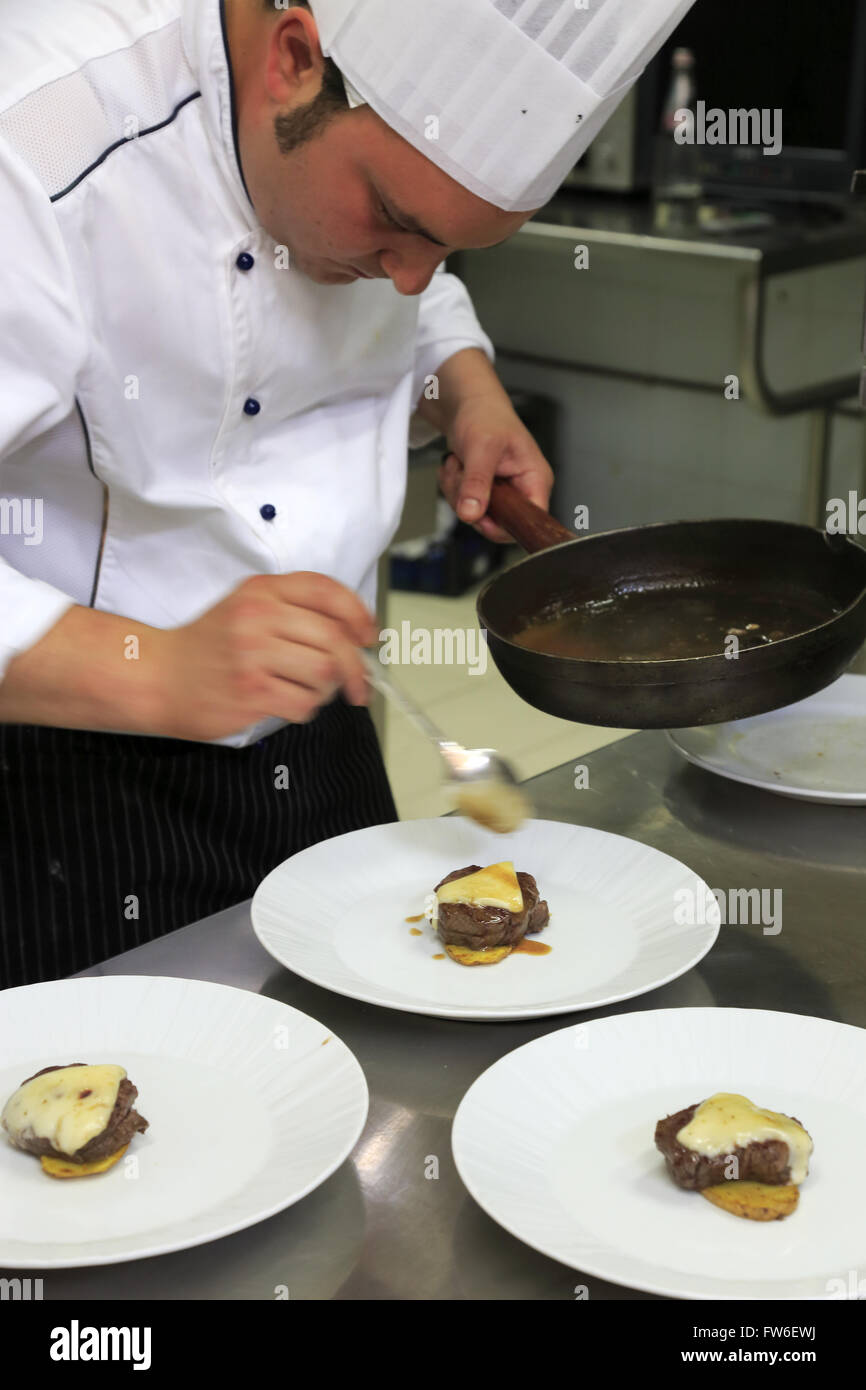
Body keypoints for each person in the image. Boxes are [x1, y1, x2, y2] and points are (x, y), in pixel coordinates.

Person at [0, 0, 694, 987]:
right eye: (393, 225)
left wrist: (464, 387)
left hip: (326, 722)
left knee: (356, 1072)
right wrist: (155, 668)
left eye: (448, 251)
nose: (406, 281)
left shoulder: (376, 205)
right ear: (291, 58)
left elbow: (416, 282)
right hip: (63, 774)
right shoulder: (36, 138)